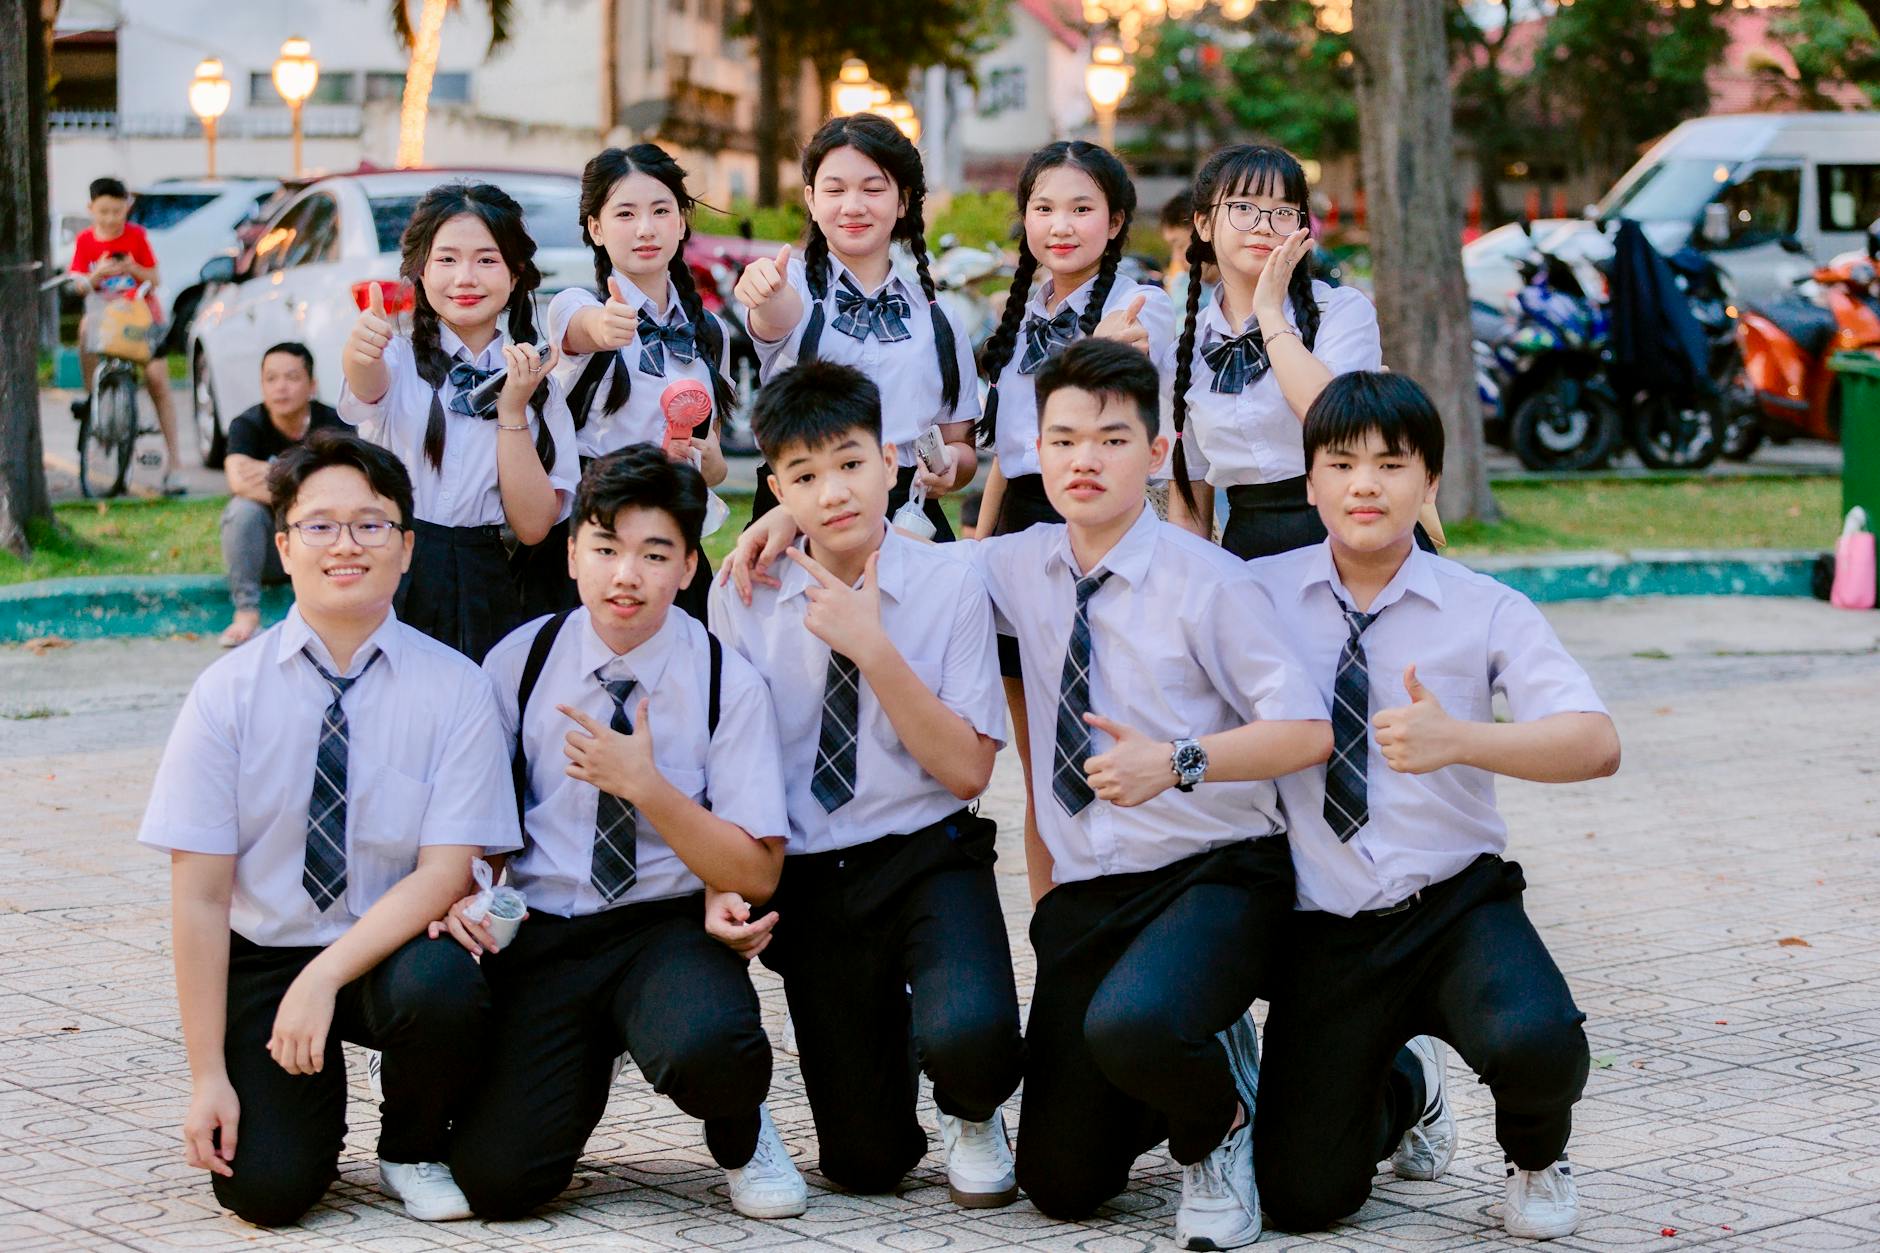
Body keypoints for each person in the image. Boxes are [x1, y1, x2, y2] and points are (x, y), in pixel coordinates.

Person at [724, 339, 1331, 1250]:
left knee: (1138, 1022)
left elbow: (1308, 733)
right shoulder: (1007, 565)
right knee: (1059, 1182)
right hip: (1092, 896)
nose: (1086, 459)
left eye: (1112, 440)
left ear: (1157, 453)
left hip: (1212, 870)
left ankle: (1223, 1126)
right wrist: (777, 522)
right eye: (1065, 439)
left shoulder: (1210, 580)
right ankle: (1180, 1054)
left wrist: (1179, 760)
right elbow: (885, 544)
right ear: (1038, 453)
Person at [1248, 371, 1620, 1241]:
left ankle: (1536, 1156)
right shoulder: (1256, 593)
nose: (1365, 485)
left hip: (1455, 905)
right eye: (1340, 465)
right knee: (1302, 1198)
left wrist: (1463, 740)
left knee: (1538, 1039)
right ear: (1310, 485)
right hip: (1325, 925)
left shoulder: (1485, 606)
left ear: (1431, 484)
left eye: (1391, 464)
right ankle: (1408, 1089)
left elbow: (1595, 741)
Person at [138, 430, 521, 1226]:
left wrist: (324, 978)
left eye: (370, 524)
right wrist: (207, 1074)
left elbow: (447, 873)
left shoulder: (455, 689)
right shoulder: (225, 696)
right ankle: (301, 1097)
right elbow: (201, 899)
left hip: (390, 950)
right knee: (269, 1192)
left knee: (444, 985)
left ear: (406, 547)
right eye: (319, 525)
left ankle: (410, 1142)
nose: (345, 544)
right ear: (283, 547)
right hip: (265, 956)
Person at [442, 446, 806, 1222]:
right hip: (547, 931)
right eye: (605, 549)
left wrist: (645, 785)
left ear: (686, 566)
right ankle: (578, 1052)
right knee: (497, 1182)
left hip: (663, 926)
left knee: (713, 1049)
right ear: (571, 553)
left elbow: (759, 869)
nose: (625, 576)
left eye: (653, 553)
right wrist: (470, 897)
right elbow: (481, 827)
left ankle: (742, 1129)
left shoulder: (722, 678)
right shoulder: (520, 661)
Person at [706, 361, 1023, 1207]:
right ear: (774, 488)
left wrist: (871, 647)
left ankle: (970, 1105)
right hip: (815, 873)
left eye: (851, 464)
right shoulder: (743, 592)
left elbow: (966, 769)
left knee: (977, 1037)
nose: (834, 492)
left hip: (926, 852)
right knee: (865, 1162)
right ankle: (894, 1048)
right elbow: (729, 762)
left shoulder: (951, 580)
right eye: (804, 477)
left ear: (889, 461)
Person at [339, 181, 579, 662]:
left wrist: (512, 410)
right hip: (397, 565)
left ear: (515, 275)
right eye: (447, 259)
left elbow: (533, 526)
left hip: (491, 581)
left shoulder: (540, 386)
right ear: (421, 272)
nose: (465, 278)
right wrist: (359, 351)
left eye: (486, 260)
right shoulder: (398, 360)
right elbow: (366, 385)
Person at [734, 112, 978, 538]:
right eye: (835, 189)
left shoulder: (939, 316)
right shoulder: (791, 284)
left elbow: (962, 446)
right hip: (803, 506)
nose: (853, 206)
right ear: (811, 199)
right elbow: (776, 314)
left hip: (909, 515)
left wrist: (951, 466)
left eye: (872, 188)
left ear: (902, 201)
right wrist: (765, 292)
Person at [1164, 144, 1389, 560]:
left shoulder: (1341, 313)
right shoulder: (1188, 352)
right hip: (1249, 552)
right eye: (1244, 207)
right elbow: (1192, 487)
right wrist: (1187, 586)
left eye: (1284, 212)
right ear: (1204, 224)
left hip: (1349, 540)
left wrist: (1269, 313)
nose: (1265, 226)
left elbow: (1332, 420)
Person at [541, 143, 735, 621]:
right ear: (596, 228)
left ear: (682, 220)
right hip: (595, 539)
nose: (645, 229)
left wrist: (709, 463)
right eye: (625, 214)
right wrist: (605, 328)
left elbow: (715, 468)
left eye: (660, 211)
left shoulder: (709, 331)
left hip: (670, 542)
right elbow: (580, 329)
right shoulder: (574, 305)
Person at [218, 342, 344, 648]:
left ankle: (334, 616)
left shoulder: (334, 424)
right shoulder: (246, 425)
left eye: (291, 377)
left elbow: (341, 491)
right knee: (242, 511)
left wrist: (269, 471)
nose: (280, 387)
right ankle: (246, 612)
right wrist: (307, 482)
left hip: (320, 544)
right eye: (271, 379)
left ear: (311, 385)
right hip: (270, 550)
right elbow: (239, 482)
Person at [68, 176, 184, 494]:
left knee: (158, 380)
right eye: (103, 211)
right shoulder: (85, 241)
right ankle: (93, 396)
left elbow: (155, 278)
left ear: (126, 209)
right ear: (91, 209)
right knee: (84, 328)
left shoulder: (136, 237)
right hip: (102, 316)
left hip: (137, 316)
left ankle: (175, 465)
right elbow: (77, 283)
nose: (110, 218)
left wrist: (133, 268)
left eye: (117, 211)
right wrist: (95, 276)